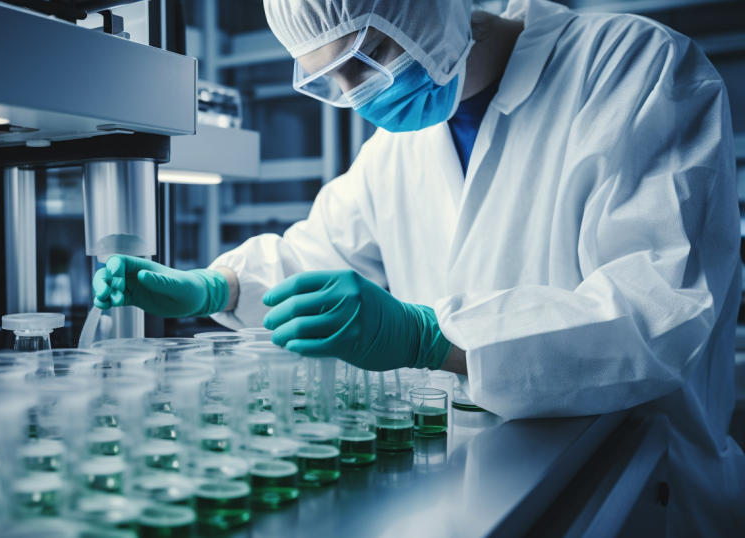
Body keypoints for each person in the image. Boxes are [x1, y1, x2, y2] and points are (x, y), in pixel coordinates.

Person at [93, 0, 744, 532]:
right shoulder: (397, 150)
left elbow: (656, 315)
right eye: (333, 82)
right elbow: (316, 253)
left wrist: (430, 336)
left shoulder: (631, 68)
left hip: (642, 481)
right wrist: (217, 286)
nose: (359, 95)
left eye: (367, 58)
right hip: (481, 485)